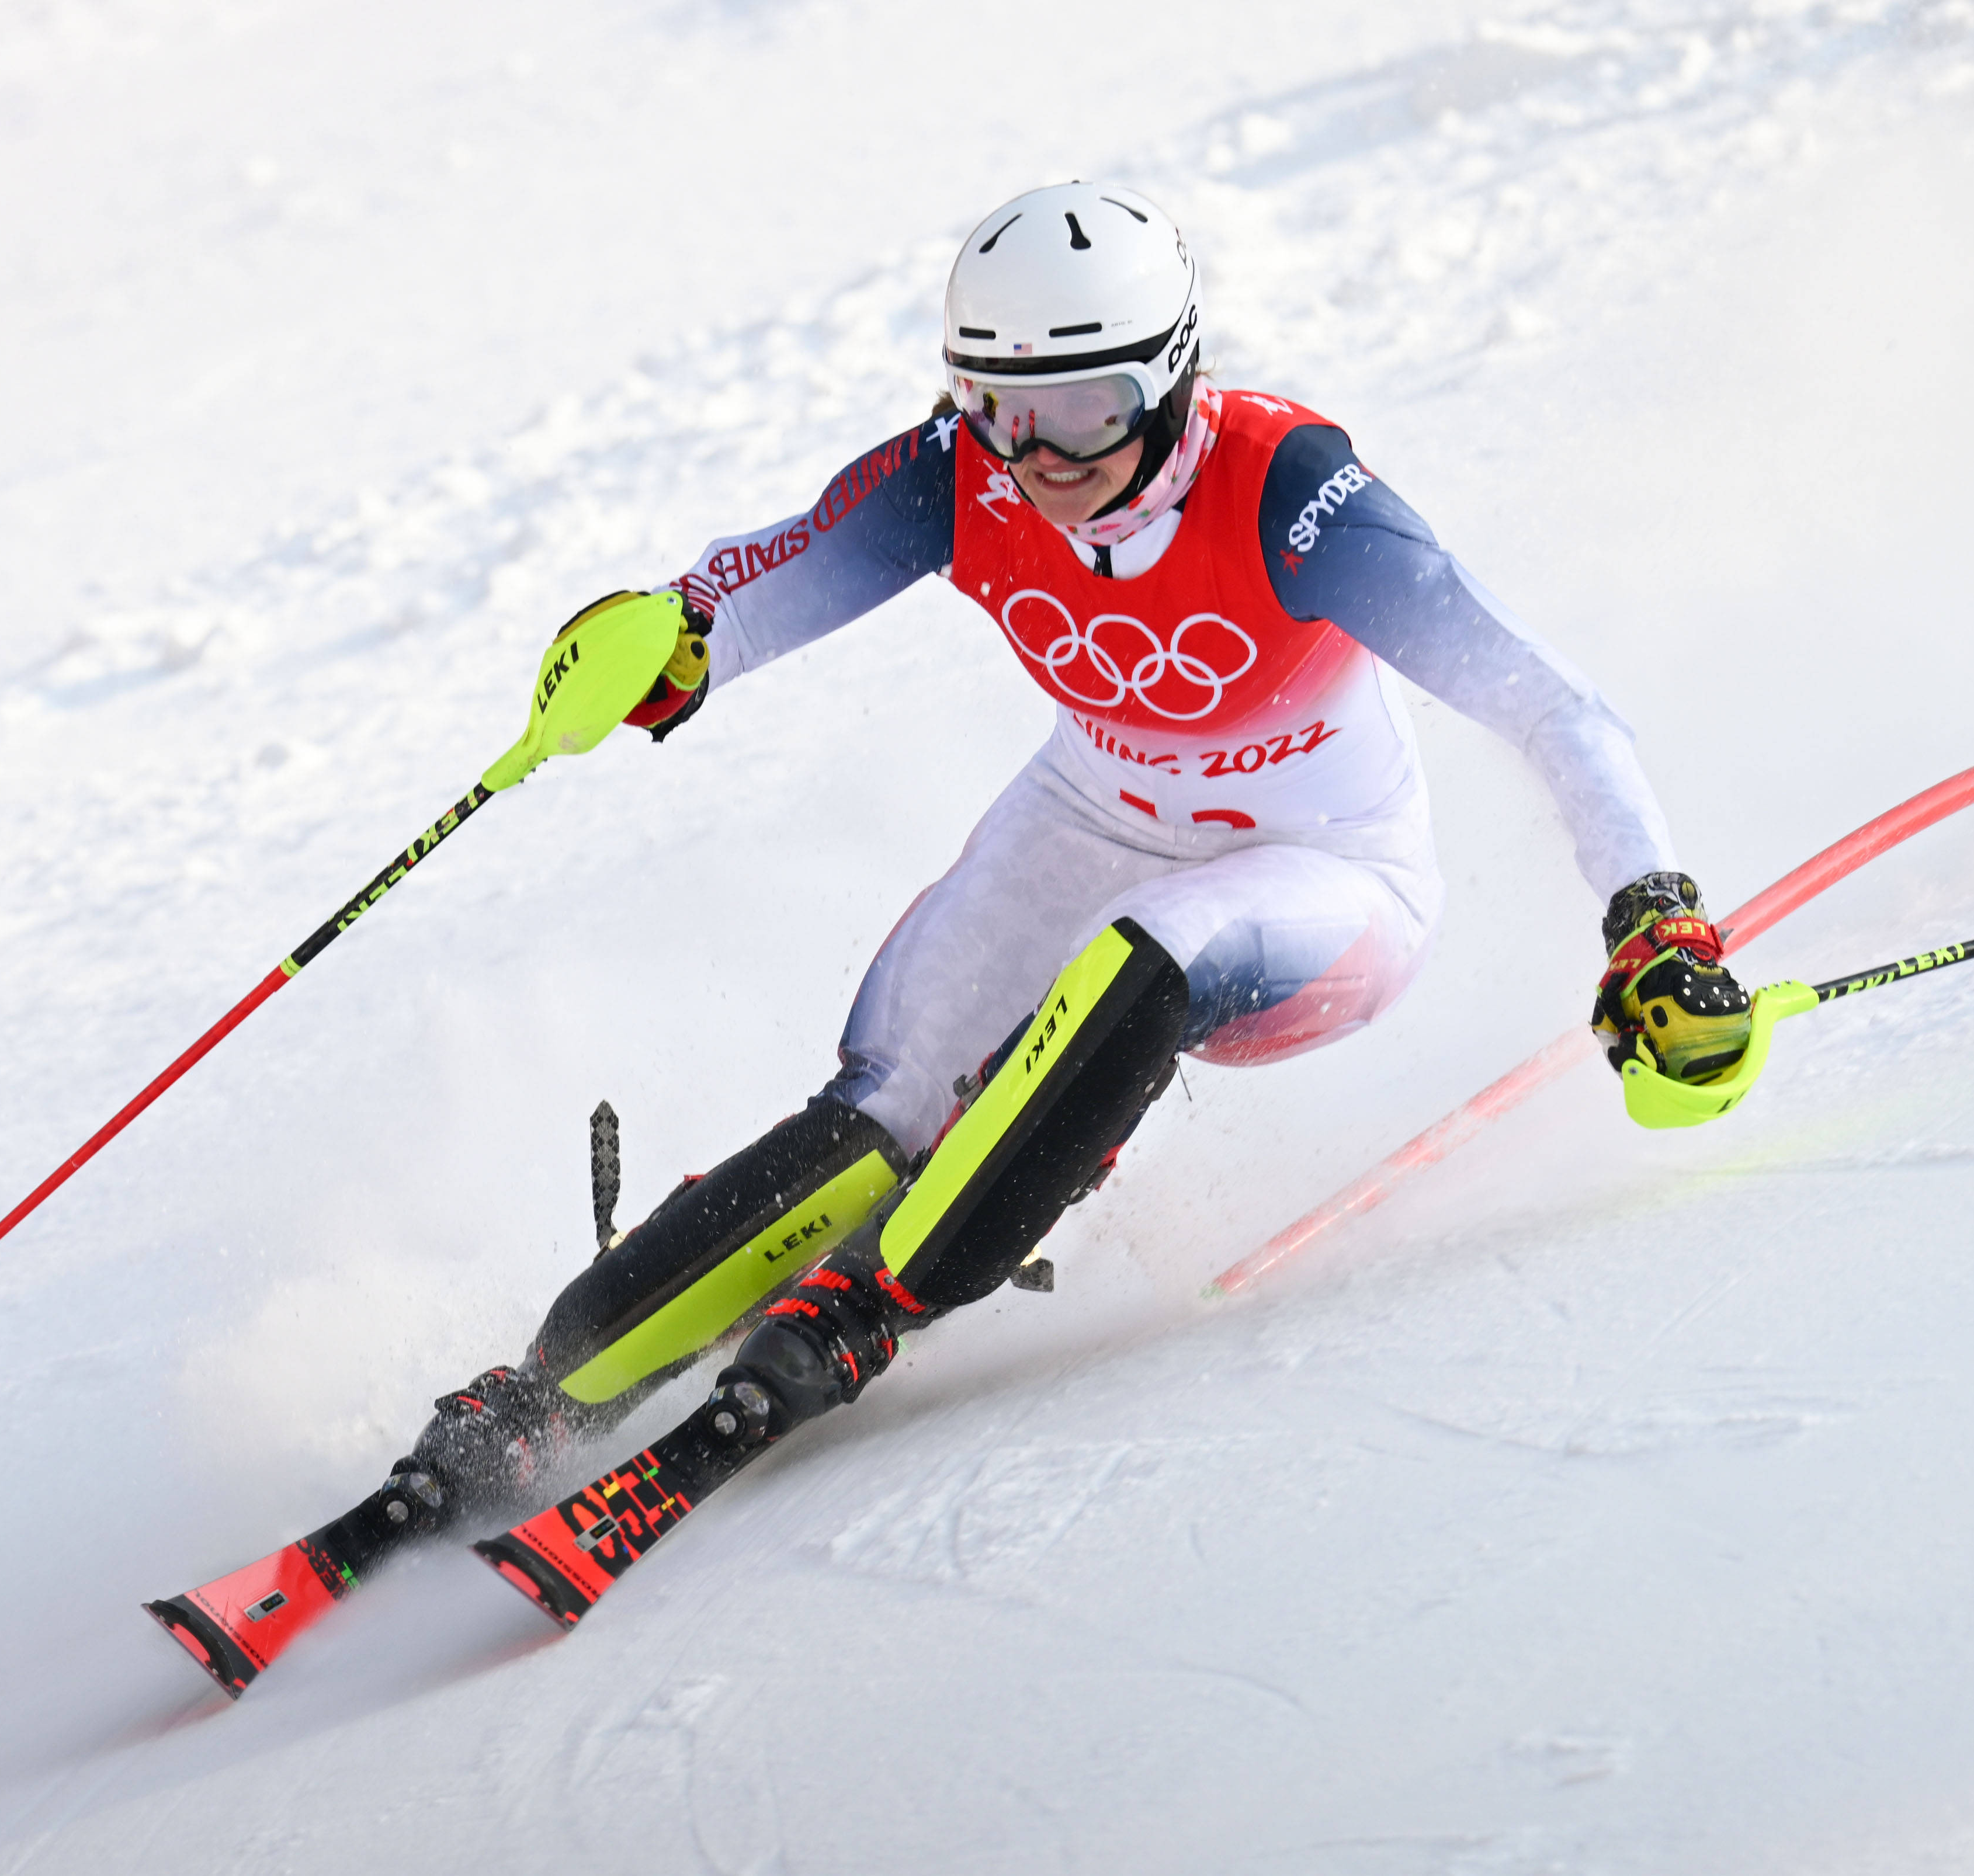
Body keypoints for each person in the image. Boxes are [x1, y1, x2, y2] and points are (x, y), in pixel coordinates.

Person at [388, 182, 1754, 1526]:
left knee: (1148, 956)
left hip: (1331, 880)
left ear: (1171, 377)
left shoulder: (1288, 490)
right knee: (886, 1101)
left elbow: (1543, 699)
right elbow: (768, 574)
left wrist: (1655, 915)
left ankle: (858, 1316)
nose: (1042, 459)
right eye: (1002, 409)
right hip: (1094, 820)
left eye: (1086, 409)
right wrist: (670, 638)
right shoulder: (960, 477)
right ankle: (546, 1398)